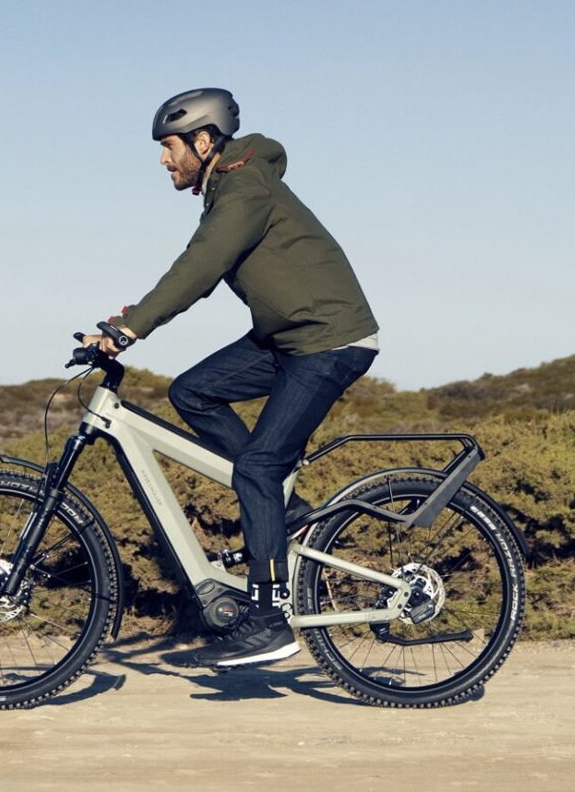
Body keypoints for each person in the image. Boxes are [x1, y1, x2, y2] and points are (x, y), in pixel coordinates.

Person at [85, 88, 379, 668]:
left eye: (169, 147)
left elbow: (201, 265)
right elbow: (199, 261)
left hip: (327, 340)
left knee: (257, 467)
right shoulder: (230, 187)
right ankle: (284, 510)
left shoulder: (244, 187)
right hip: (289, 337)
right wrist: (124, 321)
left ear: (203, 141)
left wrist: (132, 329)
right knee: (191, 391)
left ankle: (270, 620)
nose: (162, 160)